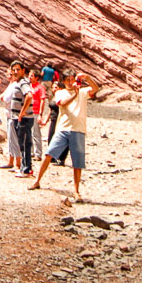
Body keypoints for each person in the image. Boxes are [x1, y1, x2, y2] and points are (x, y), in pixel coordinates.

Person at [30, 70, 99, 201]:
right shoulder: (60, 92)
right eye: (67, 80)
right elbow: (62, 103)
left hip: (78, 129)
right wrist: (75, 95)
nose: (70, 82)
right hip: (63, 129)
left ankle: (76, 191)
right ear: (64, 81)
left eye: (72, 79)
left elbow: (96, 89)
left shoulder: (83, 92)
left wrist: (88, 77)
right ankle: (37, 181)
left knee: (77, 162)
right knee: (48, 154)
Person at [29, 70, 45, 161]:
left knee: (36, 133)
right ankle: (31, 152)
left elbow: (42, 100)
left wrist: (40, 114)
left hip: (35, 112)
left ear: (37, 77)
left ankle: (38, 154)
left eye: (32, 76)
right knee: (29, 133)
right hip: (28, 112)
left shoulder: (40, 87)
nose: (29, 77)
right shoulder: (29, 86)